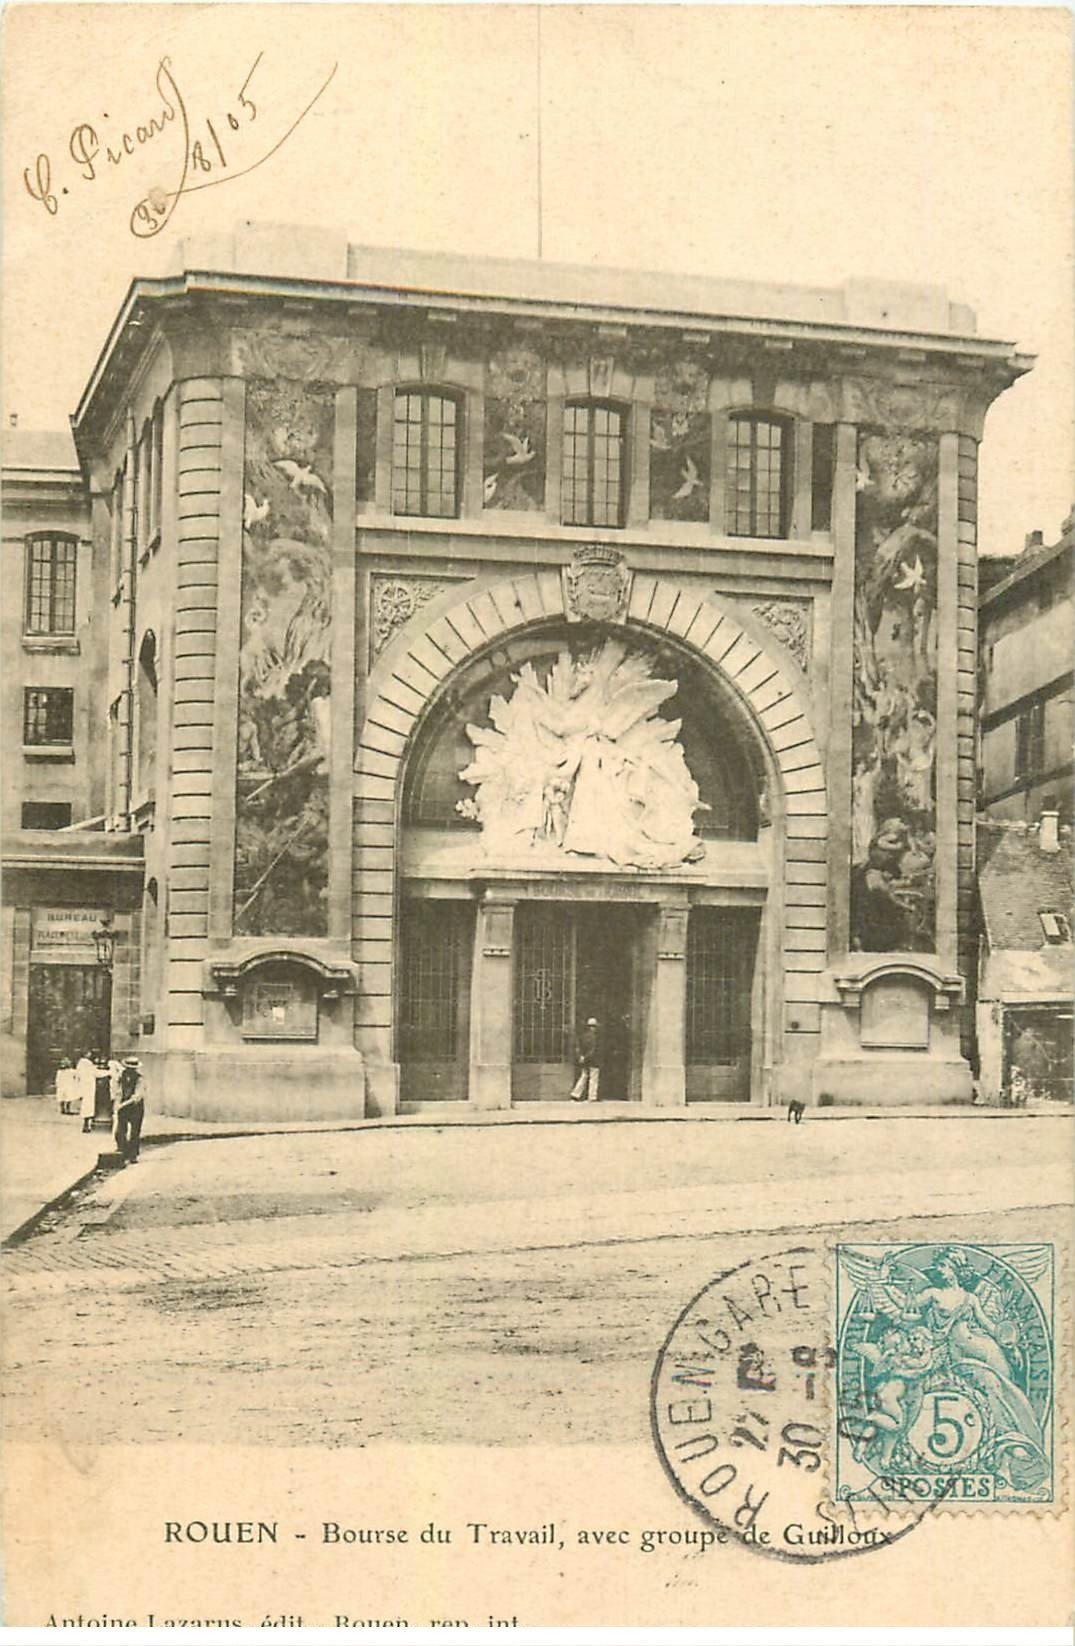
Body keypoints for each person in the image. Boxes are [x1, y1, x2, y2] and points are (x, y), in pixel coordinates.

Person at [114, 1057, 145, 1165]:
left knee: (135, 1131)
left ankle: (133, 1155)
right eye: (128, 1068)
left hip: (135, 1107)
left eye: (132, 1069)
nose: (129, 1070)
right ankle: (122, 1150)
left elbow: (137, 1096)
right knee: (120, 1131)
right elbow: (118, 1091)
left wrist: (123, 1104)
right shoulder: (121, 1076)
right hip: (123, 1106)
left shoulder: (140, 1079)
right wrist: (117, 1104)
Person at [570, 1018, 602, 1103]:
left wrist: (581, 1057)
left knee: (583, 1076)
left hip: (584, 1060)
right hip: (593, 1060)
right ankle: (592, 1097)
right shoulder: (595, 1037)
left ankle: (575, 1095)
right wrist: (587, 1057)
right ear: (594, 1027)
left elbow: (578, 1048)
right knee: (593, 1078)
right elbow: (593, 1050)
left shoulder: (583, 1036)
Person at [76, 1050, 99, 1132]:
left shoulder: (80, 1063)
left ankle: (86, 1124)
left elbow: (78, 1075)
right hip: (89, 1086)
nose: (90, 1054)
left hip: (84, 1086)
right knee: (89, 1105)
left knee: (86, 1105)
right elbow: (96, 1073)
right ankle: (87, 1125)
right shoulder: (88, 1063)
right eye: (88, 1053)